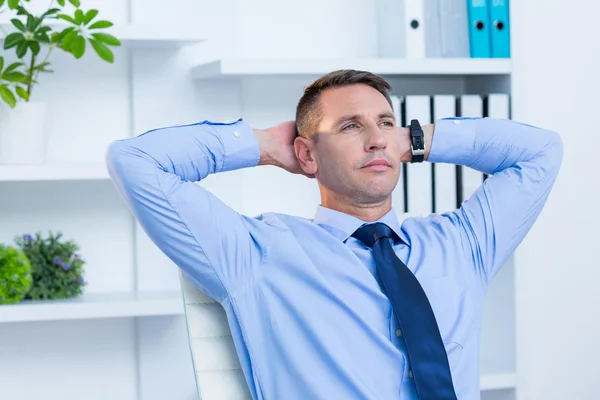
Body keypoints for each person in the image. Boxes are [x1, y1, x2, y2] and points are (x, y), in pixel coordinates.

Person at [105, 69, 563, 400]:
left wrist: (420, 138)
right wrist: (264, 145)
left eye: (386, 123)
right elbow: (134, 162)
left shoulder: (461, 243)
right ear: (307, 155)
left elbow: (542, 152)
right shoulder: (256, 254)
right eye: (351, 126)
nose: (378, 139)